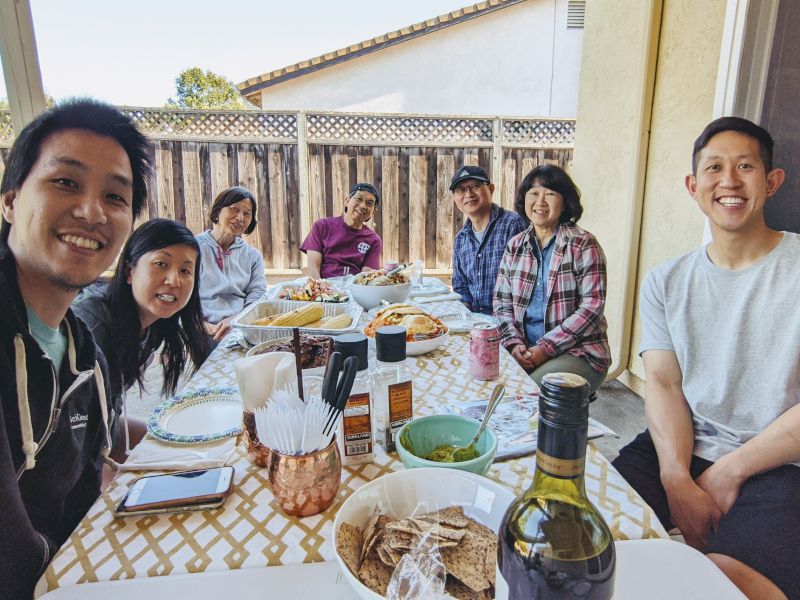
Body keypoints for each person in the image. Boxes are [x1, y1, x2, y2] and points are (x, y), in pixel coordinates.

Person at [612, 117, 798, 600]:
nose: (730, 181)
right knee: (579, 536)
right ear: (694, 187)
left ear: (771, 181)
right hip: (679, 442)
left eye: (745, 167)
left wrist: (728, 472)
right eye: (714, 168)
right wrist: (676, 479)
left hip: (781, 463)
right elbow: (664, 385)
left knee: (724, 586)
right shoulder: (666, 281)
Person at [0, 99, 150, 599]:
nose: (91, 212)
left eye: (115, 196)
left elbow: (90, 494)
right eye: (65, 182)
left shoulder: (85, 355)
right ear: (10, 199)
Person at [73, 219, 210, 462]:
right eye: (161, 264)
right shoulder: (95, 328)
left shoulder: (155, 324)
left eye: (185, 270)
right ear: (129, 271)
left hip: (104, 429)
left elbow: (109, 418)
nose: (174, 280)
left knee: (179, 449)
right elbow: (77, 431)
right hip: (64, 453)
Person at [494, 165, 610, 392]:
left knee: (526, 395)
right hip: (525, 349)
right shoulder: (515, 245)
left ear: (565, 202)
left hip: (578, 352)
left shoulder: (582, 243)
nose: (540, 202)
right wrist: (514, 343)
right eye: (534, 193)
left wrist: (544, 349)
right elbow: (502, 303)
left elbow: (591, 307)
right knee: (484, 382)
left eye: (550, 194)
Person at [450, 165, 527, 315]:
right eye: (461, 189)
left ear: (491, 189)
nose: (469, 194)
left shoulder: (513, 224)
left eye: (475, 186)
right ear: (454, 197)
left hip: (509, 321)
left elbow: (524, 285)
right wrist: (465, 318)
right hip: (476, 322)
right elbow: (461, 288)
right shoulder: (461, 239)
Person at [196, 186, 266, 342]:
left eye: (247, 214)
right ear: (218, 211)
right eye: (235, 209)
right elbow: (182, 296)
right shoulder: (193, 249)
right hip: (199, 327)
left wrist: (235, 321)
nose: (240, 217)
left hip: (239, 326)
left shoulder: (252, 256)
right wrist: (197, 324)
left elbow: (257, 296)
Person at [300, 182, 382, 279]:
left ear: (373, 211)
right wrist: (322, 290)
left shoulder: (373, 240)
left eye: (369, 203)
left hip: (354, 290)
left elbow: (365, 278)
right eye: (359, 199)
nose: (363, 206)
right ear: (347, 201)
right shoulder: (322, 226)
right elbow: (313, 270)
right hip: (323, 287)